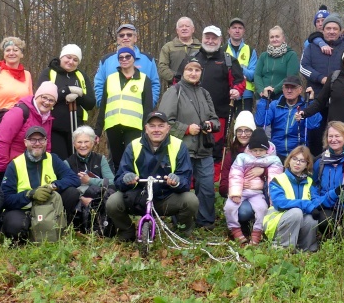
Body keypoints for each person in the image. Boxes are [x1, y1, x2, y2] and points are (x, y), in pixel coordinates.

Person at [105, 111, 199, 241]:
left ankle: (182, 231)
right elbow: (119, 179)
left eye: (161, 126)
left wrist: (176, 182)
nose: (156, 130)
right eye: (152, 126)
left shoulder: (178, 146)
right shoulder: (133, 145)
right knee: (113, 202)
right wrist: (126, 178)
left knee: (191, 200)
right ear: (146, 128)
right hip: (138, 198)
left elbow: (186, 181)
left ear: (168, 128)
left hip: (165, 197)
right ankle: (126, 231)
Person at [160, 57, 220, 229]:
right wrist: (186, 129)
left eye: (197, 70)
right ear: (182, 72)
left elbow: (215, 120)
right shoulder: (174, 91)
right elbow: (163, 123)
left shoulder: (204, 93)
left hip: (204, 150)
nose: (193, 73)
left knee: (207, 188)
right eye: (189, 70)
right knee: (181, 188)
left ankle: (206, 222)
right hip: (182, 150)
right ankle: (182, 223)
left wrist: (211, 125)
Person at [179, 25, 245, 179]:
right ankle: (189, 182)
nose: (210, 41)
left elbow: (240, 81)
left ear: (220, 40)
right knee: (190, 148)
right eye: (207, 37)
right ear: (202, 39)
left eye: (213, 38)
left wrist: (236, 90)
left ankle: (213, 183)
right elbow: (177, 81)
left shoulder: (228, 60)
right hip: (190, 114)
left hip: (218, 114)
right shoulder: (191, 58)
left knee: (215, 149)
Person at [0, 126, 81, 242]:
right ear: (25, 142)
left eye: (41, 139)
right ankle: (29, 235)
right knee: (14, 227)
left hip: (49, 205)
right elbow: (6, 198)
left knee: (72, 193)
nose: (37, 143)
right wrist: (30, 194)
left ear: (46, 142)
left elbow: (74, 179)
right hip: (25, 208)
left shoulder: (53, 158)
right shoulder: (15, 164)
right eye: (32, 139)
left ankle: (61, 227)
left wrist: (52, 186)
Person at [0, 81, 59, 177]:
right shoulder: (20, 112)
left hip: (19, 165)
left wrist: (44, 166)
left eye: (51, 100)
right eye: (44, 97)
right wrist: (4, 169)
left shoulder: (47, 118)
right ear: (37, 96)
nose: (47, 102)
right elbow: (2, 141)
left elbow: (46, 145)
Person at [95, 47, 154, 170]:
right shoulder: (110, 78)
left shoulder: (144, 79)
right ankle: (118, 186)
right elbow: (103, 107)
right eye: (121, 57)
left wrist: (147, 129)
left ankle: (132, 187)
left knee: (132, 159)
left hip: (134, 127)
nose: (124, 59)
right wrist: (97, 131)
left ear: (133, 59)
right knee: (116, 161)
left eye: (128, 57)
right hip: (113, 126)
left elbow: (147, 108)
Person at [36, 44, 96, 160]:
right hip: (54, 127)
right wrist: (66, 91)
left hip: (77, 129)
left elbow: (90, 103)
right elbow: (41, 99)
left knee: (77, 162)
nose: (71, 62)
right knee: (61, 161)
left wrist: (78, 96)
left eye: (75, 60)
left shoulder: (81, 76)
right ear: (61, 57)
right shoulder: (49, 72)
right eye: (68, 57)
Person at [224, 129, 284, 244]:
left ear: (266, 149)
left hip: (257, 192)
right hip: (242, 190)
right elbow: (235, 174)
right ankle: (235, 231)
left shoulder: (273, 160)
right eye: (254, 150)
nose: (257, 153)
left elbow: (275, 179)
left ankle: (257, 233)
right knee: (229, 207)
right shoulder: (242, 157)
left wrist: (273, 200)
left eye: (261, 150)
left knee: (262, 209)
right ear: (250, 149)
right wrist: (236, 192)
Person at [300, 15, 344, 154]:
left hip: (339, 100)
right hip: (316, 99)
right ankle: (315, 167)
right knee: (315, 136)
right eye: (328, 28)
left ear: (340, 31)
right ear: (323, 30)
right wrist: (321, 79)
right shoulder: (311, 47)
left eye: (335, 28)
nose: (331, 31)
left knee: (337, 136)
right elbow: (303, 67)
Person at [263, 146, 325, 251]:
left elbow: (315, 202)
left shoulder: (310, 182)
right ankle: (282, 248)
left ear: (307, 164)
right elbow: (279, 203)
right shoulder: (278, 179)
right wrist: (305, 205)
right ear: (289, 160)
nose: (297, 163)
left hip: (298, 222)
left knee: (311, 218)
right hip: (277, 222)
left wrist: (335, 193)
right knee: (296, 212)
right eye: (294, 159)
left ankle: (305, 250)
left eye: (302, 161)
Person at [94, 23, 161, 106]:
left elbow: (155, 85)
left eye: (129, 35)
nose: (125, 38)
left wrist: (150, 105)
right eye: (121, 35)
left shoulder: (148, 60)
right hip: (112, 112)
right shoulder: (106, 61)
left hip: (140, 113)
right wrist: (102, 105)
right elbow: (99, 84)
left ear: (135, 38)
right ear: (118, 40)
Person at [65, 126, 115, 235]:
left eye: (86, 141)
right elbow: (65, 188)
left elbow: (112, 182)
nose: (83, 145)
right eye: (79, 142)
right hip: (78, 202)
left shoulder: (101, 159)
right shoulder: (67, 163)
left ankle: (105, 229)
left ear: (93, 143)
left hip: (99, 198)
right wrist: (82, 198)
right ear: (74, 144)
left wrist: (90, 180)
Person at [258, 75, 322, 160]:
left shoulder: (306, 107)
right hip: (277, 153)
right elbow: (261, 122)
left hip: (298, 154)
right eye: (286, 87)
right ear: (282, 89)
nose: (289, 91)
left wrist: (311, 102)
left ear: (300, 90)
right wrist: (264, 99)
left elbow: (313, 124)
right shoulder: (274, 105)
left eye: (293, 88)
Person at [220, 110, 260, 237]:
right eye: (239, 131)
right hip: (238, 195)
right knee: (244, 211)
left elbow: (274, 173)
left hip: (258, 194)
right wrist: (238, 185)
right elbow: (222, 187)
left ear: (253, 132)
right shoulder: (231, 154)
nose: (243, 134)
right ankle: (239, 229)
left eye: (247, 130)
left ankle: (258, 228)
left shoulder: (262, 151)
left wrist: (263, 171)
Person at [0, 36, 33, 121]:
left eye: (16, 50)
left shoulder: (27, 75)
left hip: (23, 124)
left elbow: (30, 103)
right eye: (8, 50)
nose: (11, 53)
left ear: (21, 54)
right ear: (4, 54)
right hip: (0, 123)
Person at [254, 25, 300, 110]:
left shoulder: (291, 55)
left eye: (277, 36)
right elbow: (257, 75)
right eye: (272, 37)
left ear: (283, 38)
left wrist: (273, 91)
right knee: (261, 122)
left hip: (281, 96)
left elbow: (290, 77)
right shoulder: (263, 56)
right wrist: (262, 91)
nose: (274, 39)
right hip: (262, 97)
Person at [158, 17, 201, 88]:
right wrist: (176, 78)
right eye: (181, 26)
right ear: (177, 30)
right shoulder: (168, 47)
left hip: (197, 88)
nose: (184, 28)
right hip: (175, 88)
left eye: (187, 26)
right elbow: (162, 67)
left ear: (193, 29)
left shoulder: (201, 48)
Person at [226, 18, 258, 113]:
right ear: (229, 30)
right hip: (228, 93)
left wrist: (238, 68)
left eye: (240, 28)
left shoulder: (251, 50)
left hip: (246, 95)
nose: (237, 30)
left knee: (244, 125)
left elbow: (253, 75)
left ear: (243, 31)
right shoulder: (222, 50)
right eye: (234, 28)